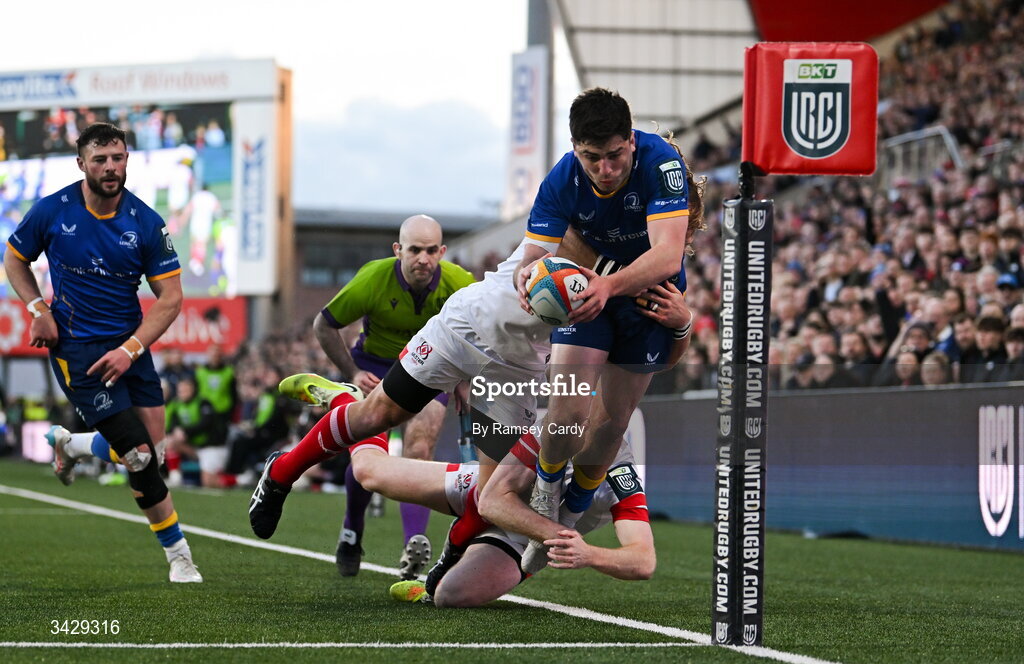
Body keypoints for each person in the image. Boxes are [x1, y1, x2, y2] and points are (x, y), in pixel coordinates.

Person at [247, 226, 693, 590]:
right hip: (462, 329)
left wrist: (684, 325)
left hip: (515, 375)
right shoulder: (577, 208)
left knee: (453, 574)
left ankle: (445, 561)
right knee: (378, 420)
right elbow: (537, 258)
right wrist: (534, 275)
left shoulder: (606, 438)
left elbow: (647, 357)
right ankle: (286, 467)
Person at [509, 87, 702, 571]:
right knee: (567, 412)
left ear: (631, 141)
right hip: (586, 299)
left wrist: (609, 287)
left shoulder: (661, 165)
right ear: (576, 149)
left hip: (647, 301)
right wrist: (525, 277)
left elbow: (667, 255)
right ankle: (547, 492)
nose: (605, 169)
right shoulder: (562, 178)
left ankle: (570, 515)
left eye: (615, 155)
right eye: (592, 157)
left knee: (613, 423)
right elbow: (534, 254)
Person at [3, 122, 201, 583]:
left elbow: (171, 300)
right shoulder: (52, 211)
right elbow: (14, 259)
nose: (110, 168)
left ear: (127, 159)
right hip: (78, 350)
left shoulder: (147, 223)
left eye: (118, 158)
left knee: (154, 450)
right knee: (137, 457)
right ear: (81, 164)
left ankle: (69, 444)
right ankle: (179, 556)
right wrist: (37, 308)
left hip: (130, 348)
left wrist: (131, 350)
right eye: (100, 160)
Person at [312, 214, 475, 578]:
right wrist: (352, 373)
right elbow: (323, 325)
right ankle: (352, 530)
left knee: (420, 447)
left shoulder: (460, 283)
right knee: (371, 455)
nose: (423, 259)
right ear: (398, 250)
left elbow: (478, 334)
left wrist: (464, 378)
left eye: (432, 251)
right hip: (375, 369)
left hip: (429, 370)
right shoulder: (373, 278)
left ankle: (413, 548)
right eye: (415, 250)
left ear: (442, 252)